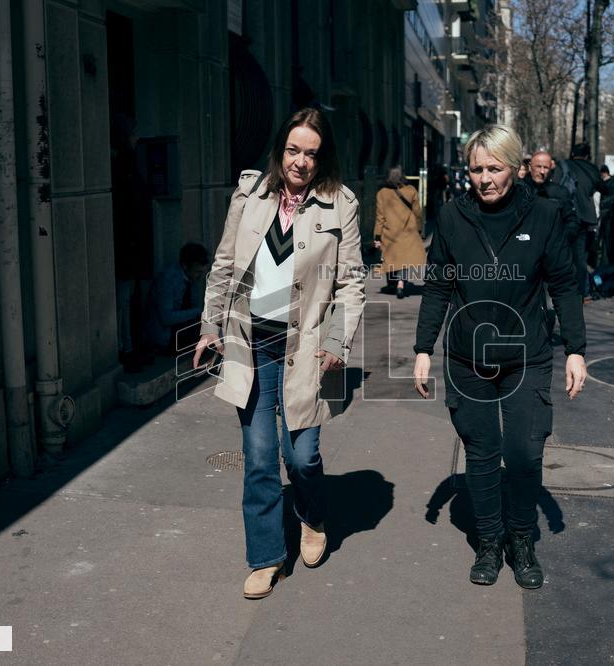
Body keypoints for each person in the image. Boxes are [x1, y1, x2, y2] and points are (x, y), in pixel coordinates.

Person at [193, 108, 366, 600]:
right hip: (251, 342)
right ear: (280, 150)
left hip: (305, 347)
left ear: (321, 157)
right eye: (293, 150)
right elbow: (224, 265)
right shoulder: (250, 194)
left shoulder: (340, 204)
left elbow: (352, 282)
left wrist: (337, 340)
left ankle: (312, 514)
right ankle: (267, 557)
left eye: (311, 153)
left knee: (303, 455)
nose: (301, 161)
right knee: (261, 456)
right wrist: (210, 326)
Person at [412, 125, 587, 590]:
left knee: (525, 454)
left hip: (526, 354)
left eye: (494, 168)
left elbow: (564, 285)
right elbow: (437, 285)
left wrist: (576, 350)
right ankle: (489, 541)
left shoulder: (544, 215)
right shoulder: (452, 216)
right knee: (483, 454)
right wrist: (422, 348)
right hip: (469, 357)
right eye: (476, 169)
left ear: (515, 167)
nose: (484, 178)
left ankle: (521, 539)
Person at [111, 113, 155, 373]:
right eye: (134, 133)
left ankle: (128, 346)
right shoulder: (121, 165)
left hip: (131, 246)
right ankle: (125, 347)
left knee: (126, 299)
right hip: (127, 247)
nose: (138, 139)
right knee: (123, 301)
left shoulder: (127, 163)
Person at [558, 143, 606, 301]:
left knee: (561, 253)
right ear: (587, 155)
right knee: (580, 257)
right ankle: (579, 292)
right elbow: (602, 186)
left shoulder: (564, 165)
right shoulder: (591, 169)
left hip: (564, 215)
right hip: (584, 217)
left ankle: (561, 287)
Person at [142, 242, 209, 355]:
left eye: (202, 272)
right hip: (165, 337)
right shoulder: (167, 280)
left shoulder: (191, 278)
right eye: (197, 272)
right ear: (185, 266)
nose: (200, 276)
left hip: (180, 330)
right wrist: (197, 312)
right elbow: (167, 318)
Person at [374, 165, 425, 298]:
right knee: (404, 258)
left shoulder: (382, 193)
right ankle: (401, 284)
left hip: (389, 231)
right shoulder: (411, 190)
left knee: (391, 258)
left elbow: (380, 217)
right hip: (408, 230)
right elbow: (418, 213)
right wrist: (419, 230)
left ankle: (392, 283)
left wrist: (377, 236)